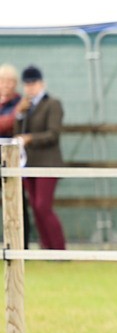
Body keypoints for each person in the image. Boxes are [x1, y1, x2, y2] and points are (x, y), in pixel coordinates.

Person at [16, 65, 66, 250]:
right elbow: (17, 133)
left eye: (33, 83)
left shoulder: (52, 104)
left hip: (48, 163)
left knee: (43, 206)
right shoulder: (26, 107)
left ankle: (59, 249)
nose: (30, 87)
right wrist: (20, 114)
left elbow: (53, 134)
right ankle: (46, 247)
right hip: (29, 164)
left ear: (41, 83)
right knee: (36, 209)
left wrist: (31, 138)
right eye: (27, 84)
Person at [0, 64, 21, 136]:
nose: (5, 85)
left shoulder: (20, 102)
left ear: (15, 83)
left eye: (9, 82)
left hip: (10, 145)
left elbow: (14, 122)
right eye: (2, 81)